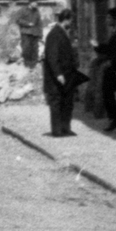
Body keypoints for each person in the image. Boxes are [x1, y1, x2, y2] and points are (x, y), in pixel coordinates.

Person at [42, 9, 82, 137]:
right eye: (71, 20)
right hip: (57, 77)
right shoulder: (54, 34)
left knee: (67, 102)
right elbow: (52, 57)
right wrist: (58, 74)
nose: (71, 23)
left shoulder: (64, 33)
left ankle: (66, 128)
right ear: (67, 19)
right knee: (56, 103)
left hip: (67, 75)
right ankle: (57, 130)